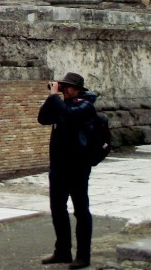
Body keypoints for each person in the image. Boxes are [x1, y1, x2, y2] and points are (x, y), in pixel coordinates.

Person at [38, 72, 97, 269]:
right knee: (57, 209)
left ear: (78, 89)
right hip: (58, 166)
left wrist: (56, 98)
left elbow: (69, 117)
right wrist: (52, 97)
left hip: (78, 166)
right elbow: (43, 118)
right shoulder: (60, 104)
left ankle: (83, 256)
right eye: (62, 86)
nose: (64, 89)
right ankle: (62, 251)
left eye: (67, 86)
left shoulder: (85, 106)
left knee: (80, 211)